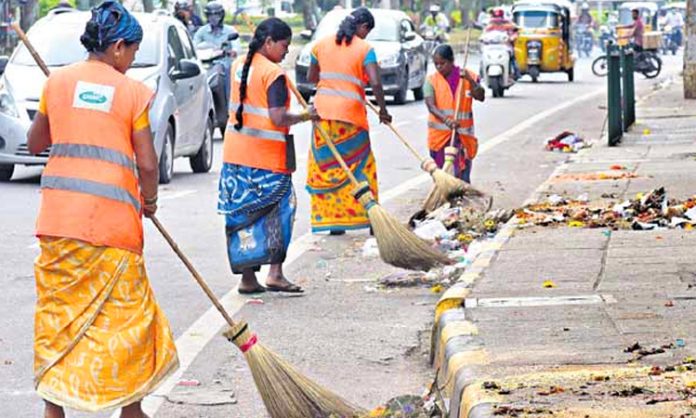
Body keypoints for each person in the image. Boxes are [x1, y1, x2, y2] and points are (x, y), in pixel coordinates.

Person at [26, 2, 178, 417]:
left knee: (60, 317)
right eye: (131, 52)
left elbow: (36, 142)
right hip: (113, 230)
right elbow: (148, 163)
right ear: (115, 48)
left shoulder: (57, 84)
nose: (130, 61)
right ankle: (131, 410)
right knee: (125, 320)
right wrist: (150, 200)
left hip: (59, 225)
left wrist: (59, 109)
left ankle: (53, 410)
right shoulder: (132, 93)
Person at [221, 17, 317, 294]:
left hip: (235, 157)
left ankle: (248, 278)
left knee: (241, 215)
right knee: (280, 212)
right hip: (266, 160)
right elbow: (277, 117)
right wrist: (305, 115)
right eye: (284, 45)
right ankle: (275, 274)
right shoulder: (274, 74)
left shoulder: (239, 66)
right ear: (269, 42)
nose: (287, 52)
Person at [306, 7, 392, 235]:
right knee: (362, 165)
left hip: (323, 116)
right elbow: (375, 82)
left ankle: (334, 222)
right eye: (367, 31)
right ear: (363, 27)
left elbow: (311, 77)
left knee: (329, 167)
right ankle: (371, 217)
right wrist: (383, 110)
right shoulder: (365, 49)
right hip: (351, 119)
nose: (367, 36)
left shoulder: (321, 45)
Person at [425, 44, 484, 183]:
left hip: (462, 137)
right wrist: (447, 121)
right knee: (443, 176)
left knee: (462, 174)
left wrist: (470, 80)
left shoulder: (468, 76)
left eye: (442, 63)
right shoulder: (431, 80)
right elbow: (431, 106)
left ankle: (462, 200)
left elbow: (480, 96)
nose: (439, 67)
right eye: (436, 64)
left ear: (452, 61)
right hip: (440, 139)